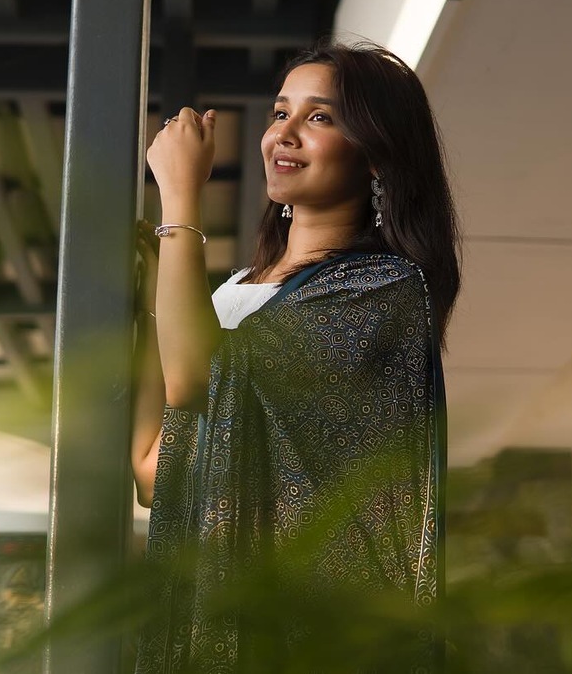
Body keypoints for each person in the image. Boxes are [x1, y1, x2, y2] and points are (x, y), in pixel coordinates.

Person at [131, 41, 460, 674]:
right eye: (281, 112)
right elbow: (156, 475)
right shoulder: (233, 294)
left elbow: (197, 378)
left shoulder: (378, 290)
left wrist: (180, 200)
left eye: (320, 118)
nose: (285, 133)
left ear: (374, 156)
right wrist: (152, 303)